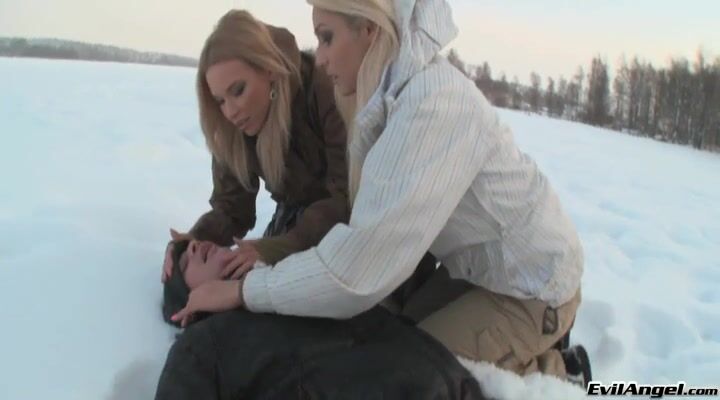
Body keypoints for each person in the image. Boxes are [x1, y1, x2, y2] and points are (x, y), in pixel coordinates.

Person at [173, 0, 592, 386]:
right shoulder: (386, 101)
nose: (320, 56)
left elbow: (360, 266)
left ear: (369, 31)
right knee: (390, 337)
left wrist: (244, 290)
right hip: (470, 272)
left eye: (327, 37)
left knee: (410, 375)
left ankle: (558, 372)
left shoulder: (432, 104)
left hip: (530, 285)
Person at [157, 239, 485, 399]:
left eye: (196, 245)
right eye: (185, 263)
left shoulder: (295, 280)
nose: (195, 246)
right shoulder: (202, 343)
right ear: (187, 307)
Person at [160, 9, 349, 283]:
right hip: (295, 223)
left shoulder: (323, 89)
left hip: (353, 225)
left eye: (238, 90)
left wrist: (274, 249)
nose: (230, 111)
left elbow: (345, 195)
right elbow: (232, 209)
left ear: (268, 70)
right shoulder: (232, 129)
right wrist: (192, 243)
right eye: (220, 101)